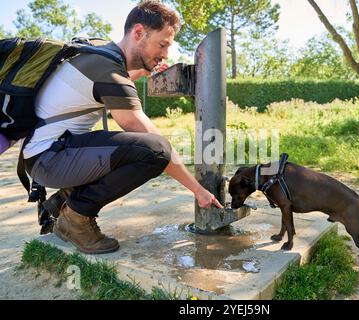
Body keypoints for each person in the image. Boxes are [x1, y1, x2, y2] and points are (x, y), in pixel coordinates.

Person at [23, 0, 223, 254]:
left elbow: (112, 82)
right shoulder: (108, 71)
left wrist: (141, 72)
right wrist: (198, 190)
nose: (165, 55)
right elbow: (145, 132)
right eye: (162, 44)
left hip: (48, 152)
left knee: (128, 148)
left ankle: (63, 202)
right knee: (155, 150)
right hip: (49, 159)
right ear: (139, 32)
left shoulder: (98, 53)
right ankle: (76, 217)